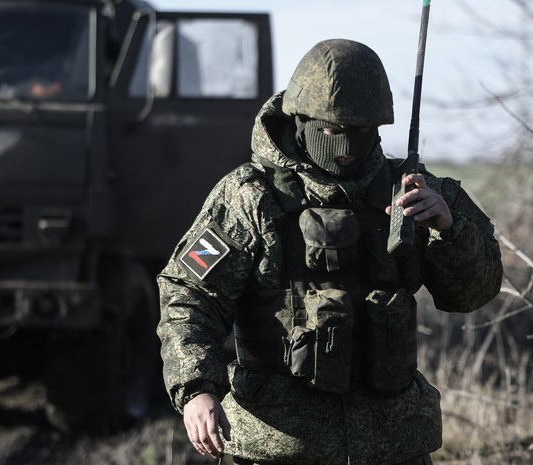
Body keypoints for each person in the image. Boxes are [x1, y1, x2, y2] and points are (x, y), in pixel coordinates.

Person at [157, 38, 503, 465]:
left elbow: (474, 293)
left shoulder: (417, 192)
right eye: (332, 131)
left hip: (394, 444)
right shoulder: (250, 197)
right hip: (278, 443)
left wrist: (448, 230)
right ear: (300, 120)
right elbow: (189, 296)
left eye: (360, 132)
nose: (345, 148)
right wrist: (196, 388)